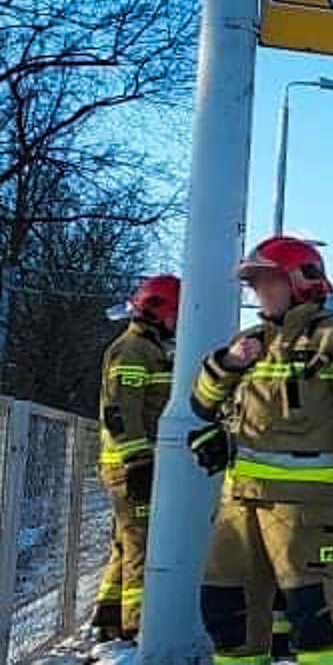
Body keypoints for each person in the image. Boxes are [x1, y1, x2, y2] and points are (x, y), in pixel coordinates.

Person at [188, 237, 333, 665]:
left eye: (268, 280)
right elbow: (201, 403)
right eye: (255, 283)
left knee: (311, 611)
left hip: (307, 507)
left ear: (303, 281)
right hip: (240, 501)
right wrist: (227, 364)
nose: (260, 291)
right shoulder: (248, 343)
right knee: (227, 608)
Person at [90, 274, 179, 647]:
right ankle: (140, 629)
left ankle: (109, 619)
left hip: (135, 463)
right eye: (177, 315)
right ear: (160, 312)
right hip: (132, 466)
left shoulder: (151, 349)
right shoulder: (132, 351)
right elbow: (120, 411)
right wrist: (138, 460)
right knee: (144, 545)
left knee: (126, 544)